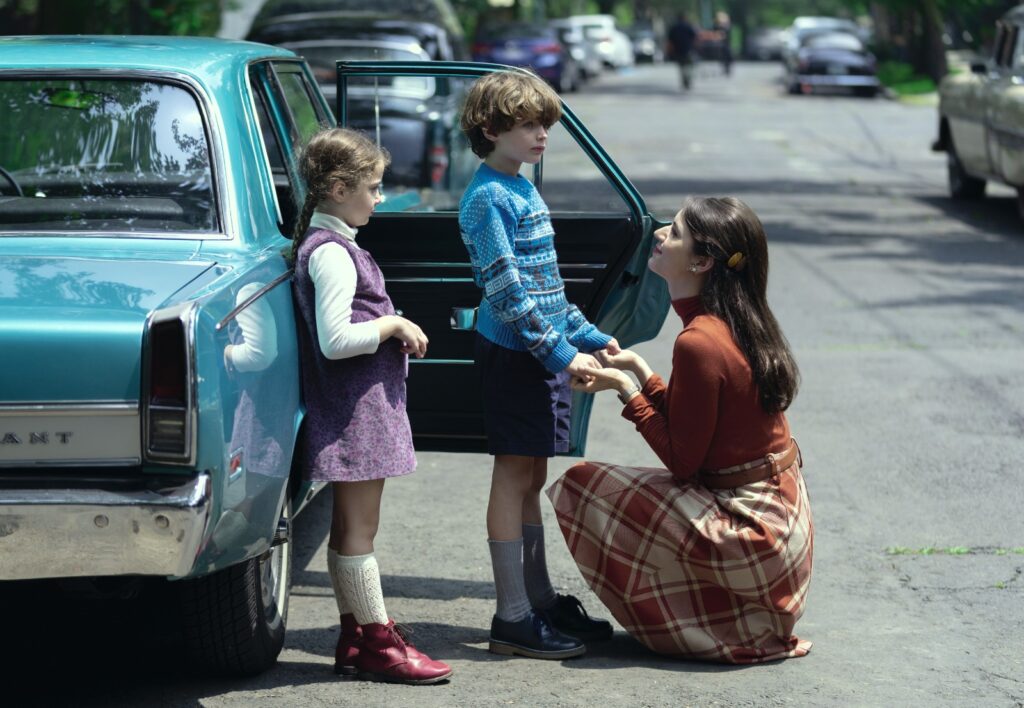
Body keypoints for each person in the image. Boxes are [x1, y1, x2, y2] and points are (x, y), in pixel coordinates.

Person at [547, 196, 814, 664]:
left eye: (674, 232)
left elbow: (684, 461)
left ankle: (707, 626)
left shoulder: (699, 341)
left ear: (701, 261)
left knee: (583, 486)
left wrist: (625, 389)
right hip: (781, 527)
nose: (658, 234)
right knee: (629, 490)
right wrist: (642, 372)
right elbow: (704, 422)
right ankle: (728, 615)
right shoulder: (734, 319)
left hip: (752, 532)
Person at [458, 71, 619, 660]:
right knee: (511, 474)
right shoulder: (487, 198)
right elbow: (507, 293)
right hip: (514, 354)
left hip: (538, 351)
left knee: (531, 477)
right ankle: (512, 617)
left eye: (544, 124)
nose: (541, 135)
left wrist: (589, 336)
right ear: (490, 129)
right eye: (527, 125)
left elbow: (547, 287)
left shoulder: (522, 187)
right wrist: (561, 353)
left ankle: (538, 599)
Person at [290, 127, 452, 685]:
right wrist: (392, 324)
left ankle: (355, 637)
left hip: (354, 411)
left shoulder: (330, 244)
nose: (380, 199)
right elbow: (336, 340)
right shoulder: (331, 254)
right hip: (355, 414)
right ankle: (380, 643)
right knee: (360, 532)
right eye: (373, 188)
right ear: (339, 189)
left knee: (347, 531)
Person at [666, 13, 698, 90]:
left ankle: (684, 80)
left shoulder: (674, 28)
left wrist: (669, 51)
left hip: (678, 50)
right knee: (689, 66)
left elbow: (670, 41)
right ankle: (688, 79)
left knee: (681, 67)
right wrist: (695, 47)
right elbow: (694, 37)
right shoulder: (688, 27)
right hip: (688, 50)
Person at [713, 10, 733, 76]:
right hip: (719, 44)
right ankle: (725, 68)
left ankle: (727, 68)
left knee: (728, 56)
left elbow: (727, 31)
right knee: (722, 56)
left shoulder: (727, 26)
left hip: (726, 44)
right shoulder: (716, 26)